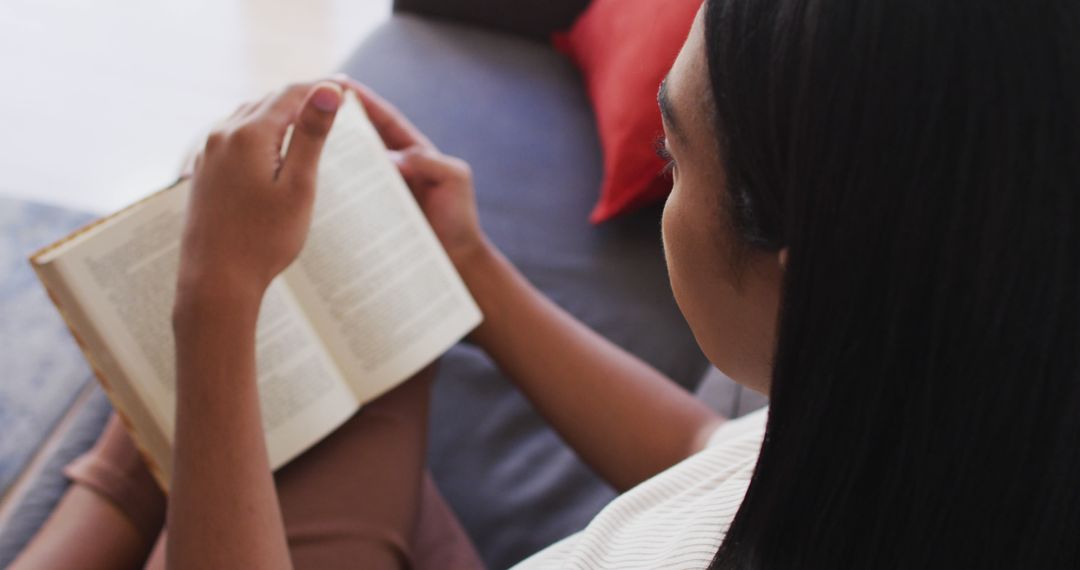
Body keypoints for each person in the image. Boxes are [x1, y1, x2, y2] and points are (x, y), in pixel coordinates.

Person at [13, 0, 1079, 567]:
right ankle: (125, 475)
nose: (666, 174)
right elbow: (717, 458)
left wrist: (213, 313)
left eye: (674, 157)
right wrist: (472, 272)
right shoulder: (938, 419)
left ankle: (113, 488)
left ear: (802, 267)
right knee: (350, 333)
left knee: (234, 362)